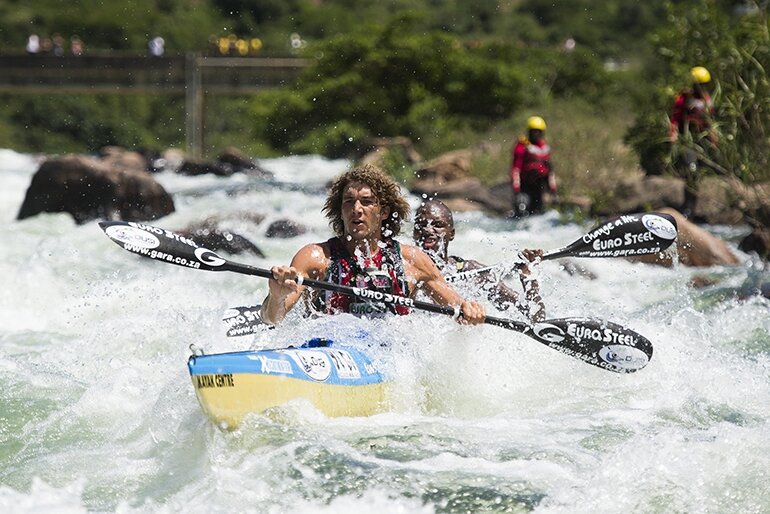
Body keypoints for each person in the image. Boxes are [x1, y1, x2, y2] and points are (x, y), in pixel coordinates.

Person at [260, 165, 486, 326]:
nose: (356, 209)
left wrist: (469, 311)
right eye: (349, 202)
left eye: (367, 202)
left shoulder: (413, 261)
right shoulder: (315, 257)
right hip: (328, 354)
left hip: (390, 360)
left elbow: (459, 309)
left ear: (384, 212)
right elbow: (273, 318)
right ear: (341, 211)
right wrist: (276, 297)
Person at [413, 199, 545, 322]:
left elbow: (534, 317)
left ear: (451, 234)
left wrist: (529, 278)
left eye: (437, 224)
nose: (428, 230)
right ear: (414, 232)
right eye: (421, 224)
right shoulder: (403, 269)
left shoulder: (474, 272)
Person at [670, 66, 718, 217]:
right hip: (688, 140)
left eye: (703, 84)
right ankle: (687, 207)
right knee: (691, 169)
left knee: (700, 173)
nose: (700, 87)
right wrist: (673, 134)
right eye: (698, 84)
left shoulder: (707, 100)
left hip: (702, 141)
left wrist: (714, 140)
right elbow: (675, 119)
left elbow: (711, 122)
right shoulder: (684, 98)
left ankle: (693, 206)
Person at [510, 116, 557, 217]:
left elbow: (550, 170)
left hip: (539, 185)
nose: (536, 134)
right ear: (529, 132)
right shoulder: (522, 147)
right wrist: (517, 190)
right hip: (525, 185)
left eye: (538, 131)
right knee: (522, 208)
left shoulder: (544, 147)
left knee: (537, 211)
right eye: (533, 131)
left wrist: (552, 189)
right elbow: (516, 169)